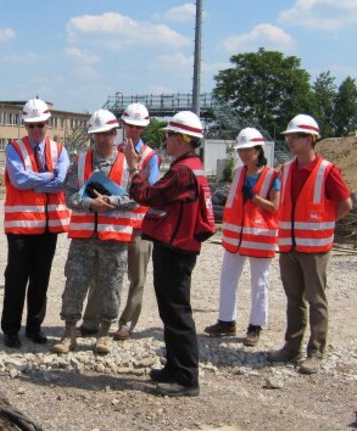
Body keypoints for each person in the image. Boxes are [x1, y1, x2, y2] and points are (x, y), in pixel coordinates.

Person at [125, 110, 216, 397]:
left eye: (168, 135)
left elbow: (147, 196)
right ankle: (175, 368)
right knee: (171, 309)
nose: (165, 140)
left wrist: (134, 169)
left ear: (181, 138)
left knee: (177, 312)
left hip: (176, 249)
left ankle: (187, 378)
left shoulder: (182, 171)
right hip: (178, 246)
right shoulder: (191, 166)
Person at [268, 114, 352, 374]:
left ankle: (315, 351)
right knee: (294, 299)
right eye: (289, 137)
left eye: (293, 136)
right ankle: (291, 347)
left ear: (309, 139)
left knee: (316, 300)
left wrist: (324, 222)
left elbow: (345, 205)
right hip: (289, 246)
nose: (289, 140)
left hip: (315, 248)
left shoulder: (327, 170)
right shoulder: (287, 169)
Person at [50, 109, 136, 355]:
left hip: (114, 239)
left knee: (111, 287)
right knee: (75, 285)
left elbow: (138, 198)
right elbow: (67, 196)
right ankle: (69, 334)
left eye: (105, 134)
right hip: (83, 238)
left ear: (114, 133)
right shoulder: (81, 161)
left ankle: (104, 335)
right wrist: (90, 204)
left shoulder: (128, 163)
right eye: (96, 135)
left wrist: (112, 201)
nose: (101, 139)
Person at [79, 103, 159, 341]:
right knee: (101, 273)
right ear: (122, 126)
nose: (133, 130)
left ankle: (126, 323)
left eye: (138, 127)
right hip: (112, 223)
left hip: (138, 227)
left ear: (144, 128)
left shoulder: (149, 157)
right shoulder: (111, 152)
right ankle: (91, 321)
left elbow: (149, 190)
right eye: (129, 125)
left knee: (137, 277)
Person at [1, 97, 70, 348]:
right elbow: (19, 180)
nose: (36, 130)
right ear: (25, 125)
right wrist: (49, 177)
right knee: (16, 280)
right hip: (20, 227)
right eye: (31, 125)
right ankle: (10, 329)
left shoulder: (59, 150)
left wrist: (38, 179)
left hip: (47, 228)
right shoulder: (14, 149)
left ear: (47, 124)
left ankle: (34, 327)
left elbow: (62, 180)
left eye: (40, 125)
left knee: (41, 280)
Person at [204, 128, 280, 347]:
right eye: (241, 151)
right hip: (236, 236)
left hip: (259, 236)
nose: (244, 155)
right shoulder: (238, 173)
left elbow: (275, 207)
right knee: (228, 279)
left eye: (248, 150)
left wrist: (254, 198)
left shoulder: (273, 175)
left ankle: (255, 327)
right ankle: (226, 321)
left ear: (258, 150)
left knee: (259, 283)